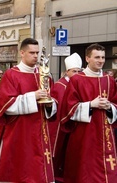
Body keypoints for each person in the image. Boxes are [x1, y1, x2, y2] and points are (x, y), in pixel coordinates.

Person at [0, 38, 57, 182]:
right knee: (21, 170)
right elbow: (6, 106)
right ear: (22, 53)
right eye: (32, 52)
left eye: (37, 53)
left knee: (39, 171)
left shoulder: (44, 75)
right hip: (19, 132)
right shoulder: (11, 74)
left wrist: (50, 104)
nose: (36, 56)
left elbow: (53, 100)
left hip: (41, 132)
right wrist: (33, 96)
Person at [60, 43, 117, 183]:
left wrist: (110, 107)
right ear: (87, 58)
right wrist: (91, 105)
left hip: (106, 135)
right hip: (84, 135)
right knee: (85, 172)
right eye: (97, 57)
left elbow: (116, 103)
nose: (101, 60)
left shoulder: (109, 80)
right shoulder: (77, 80)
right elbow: (67, 110)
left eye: (103, 57)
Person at [49, 52, 82, 182]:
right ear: (67, 71)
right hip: (59, 125)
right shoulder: (59, 85)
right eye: (74, 71)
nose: (77, 74)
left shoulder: (80, 84)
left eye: (79, 71)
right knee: (59, 152)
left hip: (75, 124)